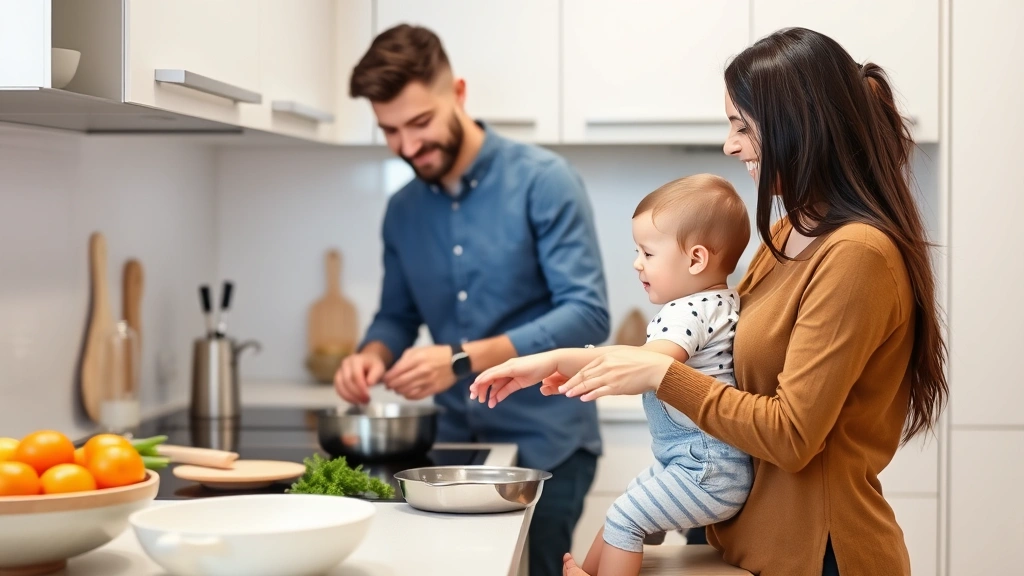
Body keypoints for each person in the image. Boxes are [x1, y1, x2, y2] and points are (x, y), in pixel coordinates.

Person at [471, 27, 947, 576]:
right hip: (753, 549)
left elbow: (790, 436)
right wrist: (554, 362)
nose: (730, 144)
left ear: (800, 129)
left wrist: (657, 377)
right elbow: (710, 346)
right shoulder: (790, 233)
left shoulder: (856, 255)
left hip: (822, 554)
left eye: (743, 126)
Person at [334, 24, 610, 576]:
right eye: (390, 131)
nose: (408, 146)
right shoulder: (403, 210)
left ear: (457, 94)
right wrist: (372, 354)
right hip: (454, 454)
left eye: (420, 123)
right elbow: (397, 314)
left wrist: (461, 358)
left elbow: (588, 312)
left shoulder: (545, 181)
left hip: (546, 447)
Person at [471, 173, 753, 576]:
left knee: (625, 517)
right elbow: (635, 361)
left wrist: (558, 364)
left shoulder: (687, 310)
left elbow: (642, 366)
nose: (637, 263)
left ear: (696, 259)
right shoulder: (720, 301)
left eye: (648, 253)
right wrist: (554, 363)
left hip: (706, 468)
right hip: (698, 462)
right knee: (624, 509)